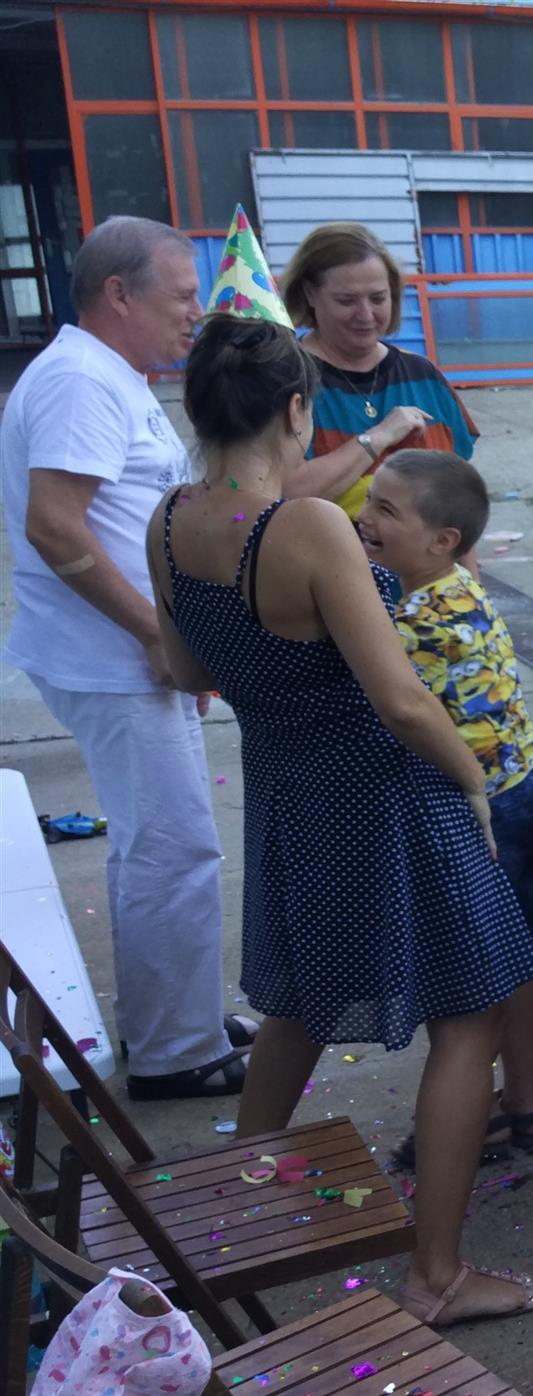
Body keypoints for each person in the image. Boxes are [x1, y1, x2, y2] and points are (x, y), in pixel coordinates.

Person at [145, 314, 533, 1328]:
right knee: (473, 1014)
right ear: (296, 409)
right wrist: (470, 781)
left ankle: (237, 1205)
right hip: (385, 793)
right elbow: (403, 702)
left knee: (302, 999)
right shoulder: (309, 526)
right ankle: (437, 1275)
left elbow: (185, 670)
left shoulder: (167, 522)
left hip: (289, 792)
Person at [0, 215, 254, 1100]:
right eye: (181, 296)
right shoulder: (79, 380)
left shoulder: (109, 376)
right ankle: (174, 1053)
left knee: (163, 846)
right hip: (114, 659)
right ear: (119, 293)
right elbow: (55, 526)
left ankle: (179, 1017)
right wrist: (155, 633)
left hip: (131, 654)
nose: (195, 314)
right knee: (173, 851)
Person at [359, 450, 533, 1165]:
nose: (364, 518)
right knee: (515, 958)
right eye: (368, 500)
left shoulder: (415, 621)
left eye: (385, 510)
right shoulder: (452, 584)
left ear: (443, 540)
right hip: (523, 788)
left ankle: (474, 1117)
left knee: (476, 979)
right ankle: (521, 1104)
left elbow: (394, 708)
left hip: (486, 813)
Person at [281, 223, 474, 516]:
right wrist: (378, 437)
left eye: (378, 298)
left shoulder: (423, 376)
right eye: (346, 300)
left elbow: (456, 494)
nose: (366, 314)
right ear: (310, 294)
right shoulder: (283, 379)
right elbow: (283, 493)